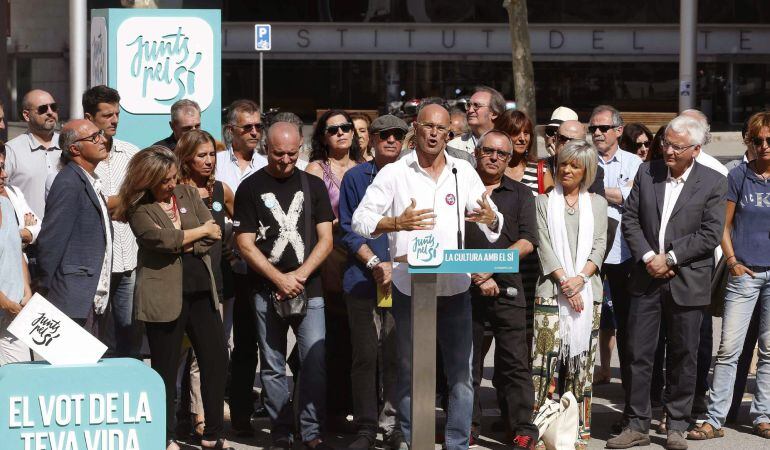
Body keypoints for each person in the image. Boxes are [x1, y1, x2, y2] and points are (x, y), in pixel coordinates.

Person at [352, 104, 503, 450]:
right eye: (428, 127)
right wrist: (395, 223)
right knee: (409, 372)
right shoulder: (394, 173)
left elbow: (493, 222)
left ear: (449, 133)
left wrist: (489, 218)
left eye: (442, 128)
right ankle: (411, 439)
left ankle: (456, 444)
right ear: (415, 130)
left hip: (454, 288)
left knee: (462, 375)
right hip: (409, 288)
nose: (434, 133)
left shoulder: (461, 171)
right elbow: (360, 220)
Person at [608, 115, 727, 450]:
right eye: (666, 143)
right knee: (638, 354)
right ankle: (637, 424)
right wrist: (649, 258)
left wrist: (671, 258)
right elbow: (630, 218)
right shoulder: (648, 172)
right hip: (646, 276)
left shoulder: (714, 181)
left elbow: (710, 233)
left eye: (676, 146)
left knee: (684, 356)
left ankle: (676, 424)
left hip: (686, 279)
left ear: (695, 149)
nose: (668, 150)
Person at [117, 146, 230, 450]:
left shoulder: (187, 193)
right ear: (147, 179)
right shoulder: (140, 208)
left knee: (216, 359)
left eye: (173, 177)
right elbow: (158, 240)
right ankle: (165, 435)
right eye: (165, 180)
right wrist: (193, 234)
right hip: (163, 296)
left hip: (200, 291)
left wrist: (185, 241)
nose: (172, 184)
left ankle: (213, 434)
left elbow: (213, 233)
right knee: (165, 369)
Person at [234, 122, 335, 450]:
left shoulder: (313, 185)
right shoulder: (249, 188)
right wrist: (278, 278)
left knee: (315, 361)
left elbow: (326, 240)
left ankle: (310, 428)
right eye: (279, 154)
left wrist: (300, 276)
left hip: (310, 287)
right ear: (266, 148)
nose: (286, 160)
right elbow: (245, 243)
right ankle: (280, 430)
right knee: (273, 363)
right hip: (265, 289)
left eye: (293, 154)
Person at [687, 111, 770, 441]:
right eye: (758, 140)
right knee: (729, 351)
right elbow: (723, 224)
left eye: (769, 140)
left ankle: (763, 415)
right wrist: (733, 261)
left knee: (769, 351)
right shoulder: (738, 176)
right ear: (749, 142)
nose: (764, 145)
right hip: (745, 274)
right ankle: (714, 418)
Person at [532, 139, 607, 448]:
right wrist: (566, 282)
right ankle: (538, 430)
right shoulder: (542, 202)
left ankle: (577, 431)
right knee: (544, 366)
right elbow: (543, 246)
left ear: (586, 170)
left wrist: (580, 280)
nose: (566, 169)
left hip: (588, 293)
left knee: (581, 367)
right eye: (563, 163)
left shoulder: (598, 204)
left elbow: (599, 244)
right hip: (551, 292)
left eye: (575, 165)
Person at [467, 129, 539, 449]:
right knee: (465, 363)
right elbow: (450, 238)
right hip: (465, 285)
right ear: (477, 152)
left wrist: (491, 268)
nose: (495, 158)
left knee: (514, 364)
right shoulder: (459, 190)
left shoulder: (521, 194)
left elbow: (527, 240)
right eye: (489, 151)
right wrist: (476, 275)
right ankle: (465, 424)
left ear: (509, 159)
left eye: (502, 154)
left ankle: (521, 428)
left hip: (508, 288)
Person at [338, 114, 406, 449]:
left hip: (403, 281)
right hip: (363, 280)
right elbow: (347, 230)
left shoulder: (414, 178)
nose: (391, 140)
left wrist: (397, 265)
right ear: (372, 141)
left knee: (395, 355)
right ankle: (366, 425)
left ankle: (392, 424)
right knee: (365, 356)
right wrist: (376, 262)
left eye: (397, 135)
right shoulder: (355, 177)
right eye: (384, 136)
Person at [175, 129, 235, 441]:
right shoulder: (172, 191)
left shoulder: (221, 190)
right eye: (201, 155)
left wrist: (232, 251)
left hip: (215, 284)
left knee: (210, 358)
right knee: (178, 359)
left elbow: (237, 229)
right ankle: (174, 422)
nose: (209, 161)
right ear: (186, 158)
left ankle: (205, 423)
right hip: (179, 286)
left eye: (212, 154)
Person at [214, 99, 267, 435]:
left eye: (258, 126)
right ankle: (208, 408)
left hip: (258, 269)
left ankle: (244, 412)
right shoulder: (216, 164)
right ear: (230, 130)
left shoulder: (268, 164)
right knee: (217, 341)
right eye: (247, 127)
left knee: (250, 343)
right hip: (221, 264)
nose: (253, 132)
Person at [307, 109, 361, 430]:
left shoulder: (363, 168)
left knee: (360, 336)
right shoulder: (316, 169)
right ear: (323, 137)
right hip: (329, 255)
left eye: (345, 128)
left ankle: (357, 404)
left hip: (358, 254)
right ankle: (333, 407)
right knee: (334, 335)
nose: (341, 133)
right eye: (333, 129)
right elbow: (314, 214)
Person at [589, 105, 642, 422]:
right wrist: (614, 192)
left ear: (619, 131)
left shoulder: (635, 162)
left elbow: (632, 198)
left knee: (627, 327)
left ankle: (632, 401)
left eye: (603, 128)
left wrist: (596, 190)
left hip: (622, 254)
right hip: (588, 257)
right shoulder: (583, 158)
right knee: (584, 323)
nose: (597, 133)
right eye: (593, 127)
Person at [36, 120, 111, 336]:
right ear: (75, 149)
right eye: (94, 137)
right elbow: (51, 240)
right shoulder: (68, 182)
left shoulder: (89, 180)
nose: (102, 140)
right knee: (76, 367)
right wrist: (46, 289)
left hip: (91, 296)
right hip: (72, 297)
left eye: (100, 134)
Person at [84, 85, 142, 357]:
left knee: (130, 333)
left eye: (117, 114)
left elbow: (142, 198)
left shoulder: (131, 154)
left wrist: (115, 202)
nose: (115, 120)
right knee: (95, 339)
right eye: (107, 115)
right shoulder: (77, 157)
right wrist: (120, 200)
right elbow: (89, 205)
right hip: (96, 264)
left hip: (129, 260)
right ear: (89, 117)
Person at [494, 109, 553, 353]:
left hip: (528, 260)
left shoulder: (540, 170)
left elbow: (550, 211)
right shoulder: (491, 169)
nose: (522, 138)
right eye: (515, 132)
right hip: (494, 257)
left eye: (526, 133)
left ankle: (520, 382)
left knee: (525, 326)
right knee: (488, 328)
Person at [4, 89, 61, 218]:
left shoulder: (68, 146)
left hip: (67, 234)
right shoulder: (11, 151)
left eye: (53, 107)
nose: (50, 112)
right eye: (42, 109)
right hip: (30, 235)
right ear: (26, 115)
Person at [0, 145, 33, 365]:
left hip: (13, 313)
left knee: (20, 377)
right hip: (7, 305)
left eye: (2, 167)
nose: (4, 174)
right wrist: (4, 302)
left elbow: (16, 252)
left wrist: (27, 290)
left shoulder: (6, 203)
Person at [543, 119, 606, 197]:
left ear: (583, 143)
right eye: (563, 138)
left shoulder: (594, 171)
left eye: (573, 141)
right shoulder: (542, 166)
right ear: (555, 139)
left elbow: (598, 205)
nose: (567, 143)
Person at [0, 143, 40, 252]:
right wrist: (24, 233)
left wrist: (19, 234)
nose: (4, 174)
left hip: (19, 265)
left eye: (3, 167)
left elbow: (38, 227)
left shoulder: (13, 191)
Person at [447, 86, 506, 155]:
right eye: (468, 105)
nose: (470, 110)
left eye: (476, 105)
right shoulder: (454, 147)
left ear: (494, 113)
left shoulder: (508, 144)